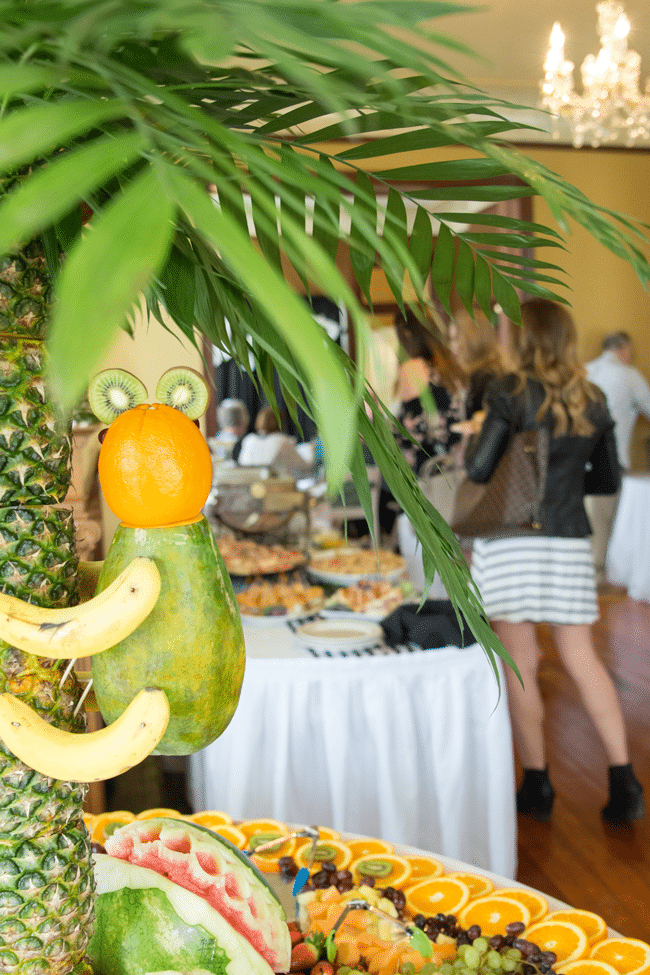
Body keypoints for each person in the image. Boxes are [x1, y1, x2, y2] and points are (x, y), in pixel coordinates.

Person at [464, 299, 644, 825]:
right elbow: (607, 480)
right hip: (567, 540)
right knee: (582, 657)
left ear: (522, 339)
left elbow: (478, 470)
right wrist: (562, 486)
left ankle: (537, 783)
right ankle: (624, 779)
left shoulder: (508, 391)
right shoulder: (592, 396)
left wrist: (474, 435)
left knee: (520, 662)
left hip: (511, 538)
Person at [585, 331, 650, 582]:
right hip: (612, 459)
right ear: (624, 349)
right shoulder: (629, 375)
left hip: (577, 459)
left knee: (589, 520)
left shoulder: (585, 370)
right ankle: (600, 579)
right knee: (606, 523)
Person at [237, 405, 314, 480]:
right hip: (276, 487)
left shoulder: (249, 439)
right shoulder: (282, 440)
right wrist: (310, 451)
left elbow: (242, 464)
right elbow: (304, 466)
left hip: (251, 486)